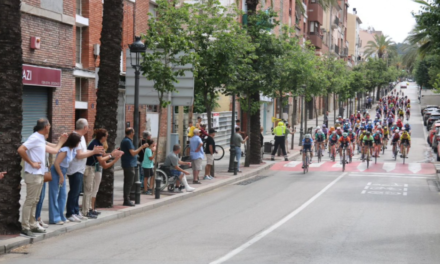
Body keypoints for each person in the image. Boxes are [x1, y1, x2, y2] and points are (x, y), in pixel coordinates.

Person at [17, 118, 68, 238]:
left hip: (39, 174)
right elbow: (21, 149)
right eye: (49, 125)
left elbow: (55, 149)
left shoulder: (40, 139)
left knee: (35, 201)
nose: (50, 128)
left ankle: (33, 224)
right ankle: (25, 227)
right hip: (33, 174)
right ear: (46, 127)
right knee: (30, 201)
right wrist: (31, 162)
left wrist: (61, 141)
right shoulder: (34, 138)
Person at [66, 119, 104, 223]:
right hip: (75, 169)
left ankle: (76, 211)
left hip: (80, 168)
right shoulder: (75, 137)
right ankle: (70, 213)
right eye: (88, 126)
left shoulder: (81, 137)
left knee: (78, 191)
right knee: (74, 191)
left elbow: (83, 151)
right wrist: (93, 152)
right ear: (85, 127)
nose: (88, 129)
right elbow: (78, 155)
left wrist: (93, 151)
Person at [82, 129, 124, 219]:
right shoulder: (96, 144)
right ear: (103, 137)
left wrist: (113, 153)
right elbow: (101, 160)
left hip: (92, 168)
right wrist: (112, 156)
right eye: (106, 136)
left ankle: (89, 209)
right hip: (89, 168)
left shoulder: (98, 143)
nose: (107, 137)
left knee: (91, 189)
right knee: (88, 190)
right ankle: (86, 211)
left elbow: (103, 155)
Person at [49, 133, 83, 225]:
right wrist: (61, 175)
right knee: (54, 195)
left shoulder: (72, 150)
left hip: (63, 171)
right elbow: (56, 163)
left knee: (63, 195)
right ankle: (54, 218)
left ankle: (60, 216)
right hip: (57, 171)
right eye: (78, 141)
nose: (79, 143)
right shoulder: (65, 150)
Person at [120, 128, 149, 206]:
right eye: (133, 132)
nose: (134, 134)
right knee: (129, 183)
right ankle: (126, 199)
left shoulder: (126, 140)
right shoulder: (127, 141)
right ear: (131, 133)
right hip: (129, 164)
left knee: (128, 182)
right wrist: (141, 147)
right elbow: (132, 153)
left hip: (128, 164)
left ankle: (127, 198)